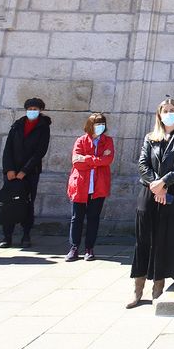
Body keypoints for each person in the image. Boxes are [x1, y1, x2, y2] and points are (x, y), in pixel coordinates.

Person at [128, 97, 174, 308]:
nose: (169, 113)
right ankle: (138, 289)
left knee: (164, 239)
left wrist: (165, 183)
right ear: (159, 114)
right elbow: (142, 163)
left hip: (172, 191)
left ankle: (158, 286)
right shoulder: (151, 137)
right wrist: (154, 184)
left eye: (172, 109)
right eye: (165, 110)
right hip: (149, 192)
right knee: (144, 239)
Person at [0, 97, 51, 249]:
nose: (32, 111)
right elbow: (8, 148)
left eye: (35, 109)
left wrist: (24, 171)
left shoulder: (43, 127)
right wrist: (9, 169)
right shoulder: (17, 125)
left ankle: (26, 234)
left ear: (40, 110)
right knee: (8, 202)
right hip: (11, 171)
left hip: (30, 172)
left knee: (27, 203)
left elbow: (40, 151)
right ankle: (6, 236)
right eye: (30, 109)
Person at [66, 112, 114, 262]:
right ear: (90, 125)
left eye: (102, 124)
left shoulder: (107, 141)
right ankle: (74, 247)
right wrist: (96, 160)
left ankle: (89, 248)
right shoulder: (81, 141)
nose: (100, 127)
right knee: (77, 217)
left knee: (93, 217)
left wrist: (86, 158)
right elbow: (76, 162)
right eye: (97, 124)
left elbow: (108, 160)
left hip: (98, 185)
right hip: (80, 183)